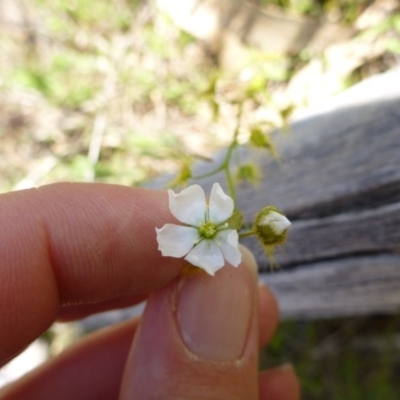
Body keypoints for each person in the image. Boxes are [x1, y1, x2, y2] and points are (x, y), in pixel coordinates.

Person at [0, 182, 300, 399]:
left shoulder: (221, 237)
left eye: (212, 228)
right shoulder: (192, 235)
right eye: (208, 228)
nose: (210, 229)